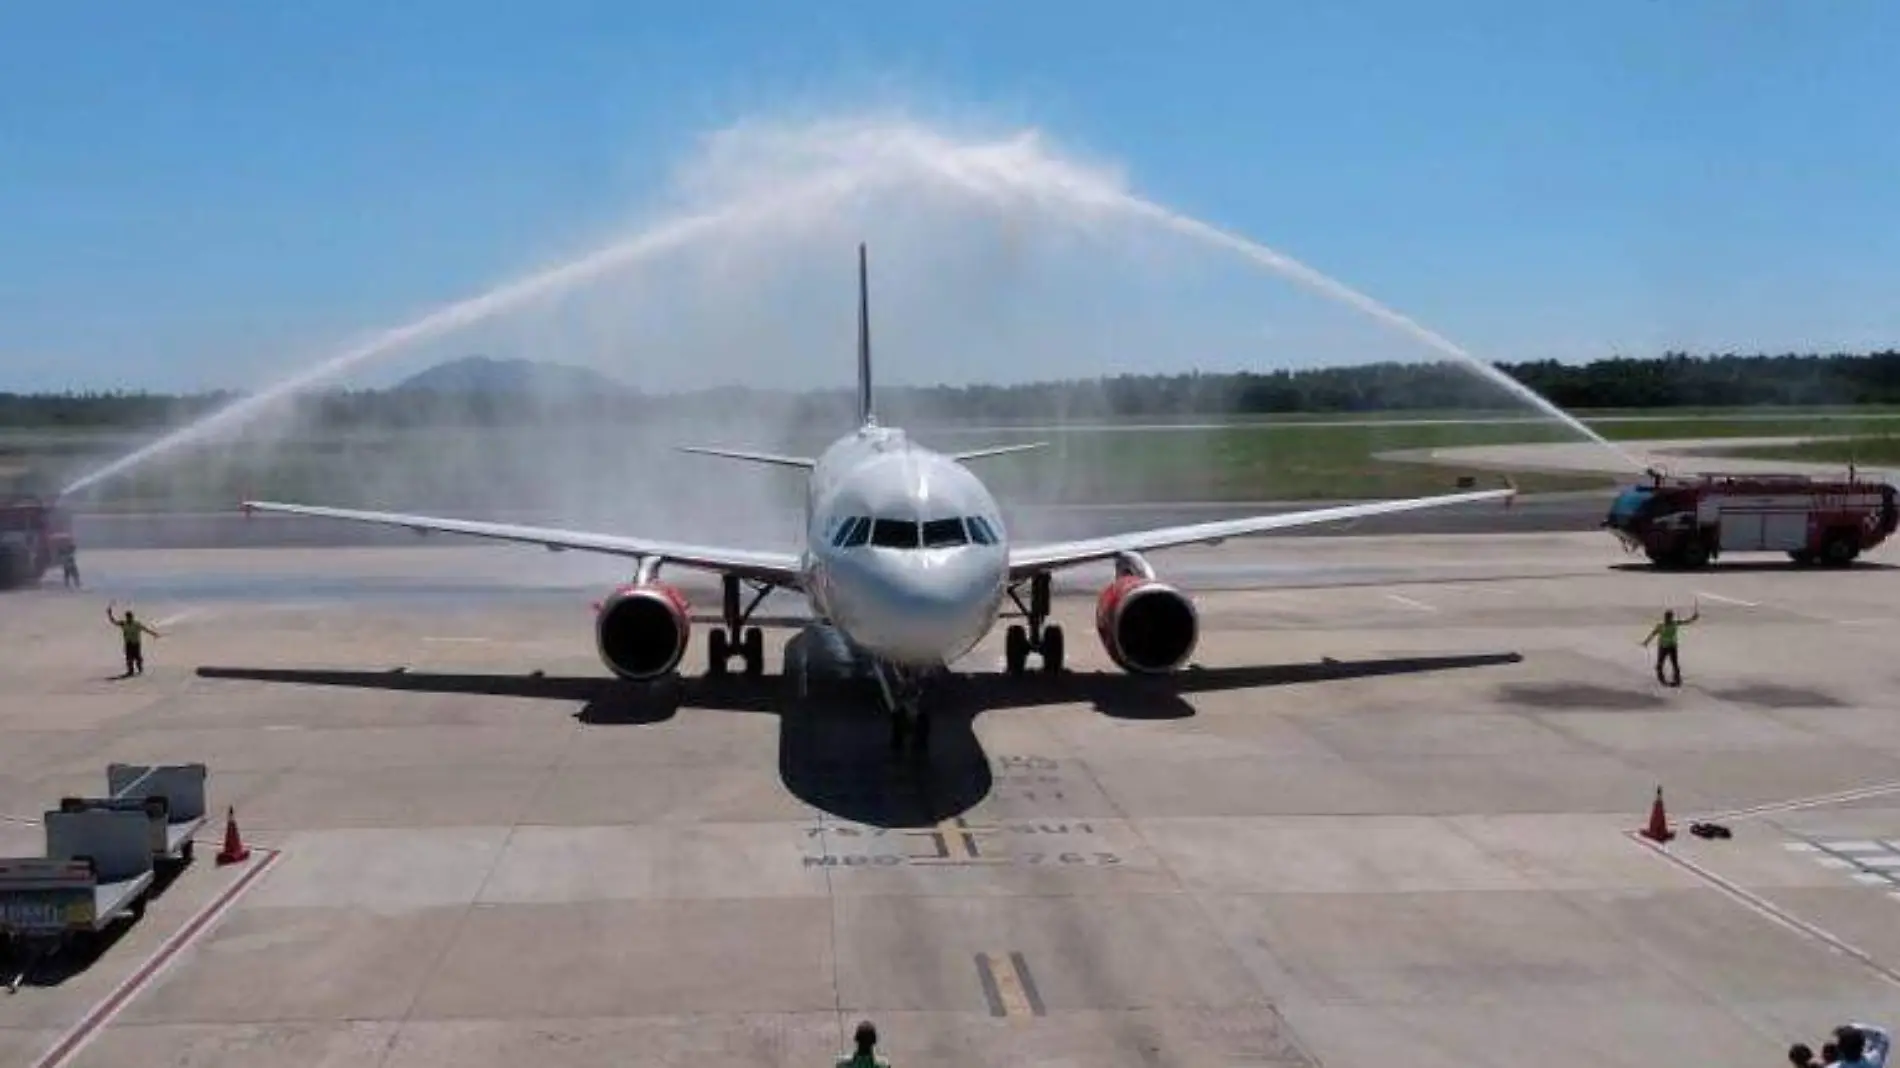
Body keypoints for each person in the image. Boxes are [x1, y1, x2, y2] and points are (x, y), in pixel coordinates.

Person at [1641, 603, 1699, 687]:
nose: (1668, 619)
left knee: (1664, 664)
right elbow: (1686, 622)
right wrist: (1694, 618)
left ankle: (1665, 680)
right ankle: (1675, 680)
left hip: (1665, 647)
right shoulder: (1671, 624)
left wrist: (1646, 642)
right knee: (1672, 664)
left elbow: (1653, 634)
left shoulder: (1662, 626)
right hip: (1670, 646)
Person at [106, 602, 160, 677]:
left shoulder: (136, 624)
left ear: (132, 617)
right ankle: (130, 671)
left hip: (136, 643)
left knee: (138, 657)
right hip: (128, 643)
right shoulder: (123, 624)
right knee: (129, 658)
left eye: (130, 617)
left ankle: (140, 669)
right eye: (128, 617)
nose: (129, 618)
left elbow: (145, 629)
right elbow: (114, 622)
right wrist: (109, 614)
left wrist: (154, 634)